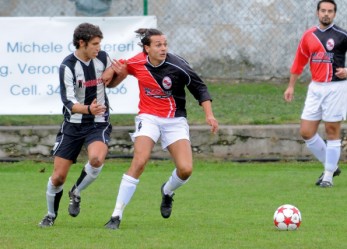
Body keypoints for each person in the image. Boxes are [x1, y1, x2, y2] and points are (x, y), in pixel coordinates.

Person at [102, 28, 219, 229]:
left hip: (175, 120)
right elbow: (111, 81)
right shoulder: (137, 62)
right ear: (147, 48)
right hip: (148, 118)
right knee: (139, 161)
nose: (163, 48)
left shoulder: (178, 66)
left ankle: (167, 191)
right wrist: (113, 74)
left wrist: (209, 114)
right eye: (158, 45)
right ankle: (116, 215)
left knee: (186, 170)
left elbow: (200, 88)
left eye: (165, 44)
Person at [38, 22, 125, 227]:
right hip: (74, 124)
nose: (99, 47)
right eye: (94, 44)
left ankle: (76, 191)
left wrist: (117, 74)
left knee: (96, 159)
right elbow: (68, 102)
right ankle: (50, 215)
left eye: (100, 43)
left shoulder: (103, 58)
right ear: (81, 43)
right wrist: (88, 109)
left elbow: (110, 83)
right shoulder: (67, 66)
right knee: (58, 177)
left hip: (98, 122)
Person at [284, 0, 347, 188]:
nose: (326, 14)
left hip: (336, 87)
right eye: (323, 11)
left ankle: (328, 176)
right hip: (316, 88)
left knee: (331, 130)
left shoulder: (342, 35)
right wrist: (291, 86)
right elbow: (299, 61)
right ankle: (332, 165)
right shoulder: (308, 36)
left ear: (334, 14)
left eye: (330, 11)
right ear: (317, 13)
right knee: (306, 131)